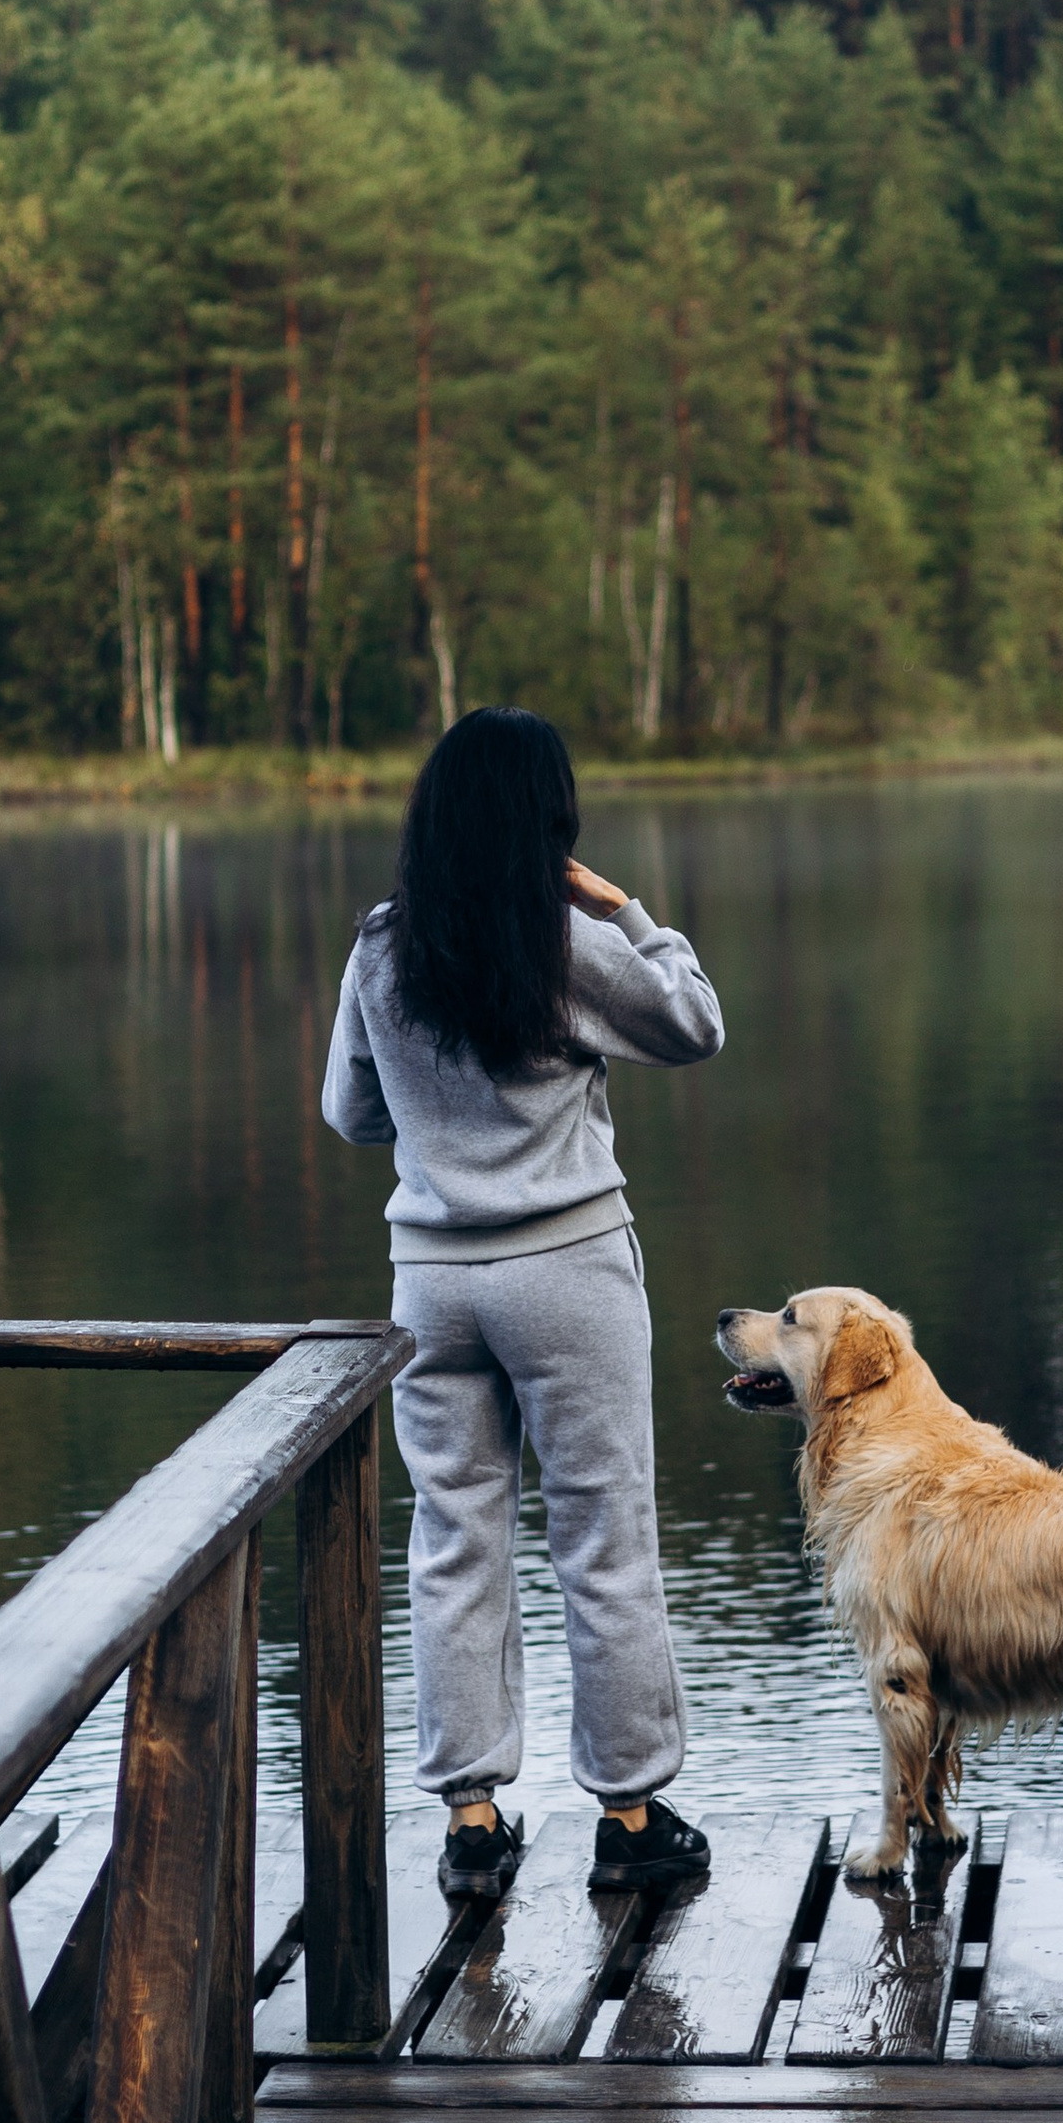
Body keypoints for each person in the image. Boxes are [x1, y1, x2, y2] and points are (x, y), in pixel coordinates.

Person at [321, 707, 724, 1905]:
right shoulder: (562, 942)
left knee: (453, 1545)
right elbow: (695, 1027)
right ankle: (633, 1817)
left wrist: (445, 1133)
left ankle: (474, 1823)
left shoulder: (381, 950)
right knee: (605, 1548)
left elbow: (352, 1117)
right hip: (569, 1274)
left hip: (430, 1285)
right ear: (545, 825)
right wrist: (629, 915)